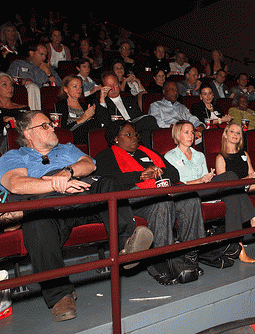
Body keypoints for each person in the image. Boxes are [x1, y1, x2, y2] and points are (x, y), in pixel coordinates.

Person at [0, 111, 153, 322]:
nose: (52, 128)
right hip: (50, 209)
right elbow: (16, 183)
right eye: (45, 126)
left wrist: (68, 172)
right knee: (34, 221)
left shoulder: (66, 148)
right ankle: (60, 295)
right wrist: (56, 183)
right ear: (28, 134)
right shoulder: (15, 156)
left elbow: (90, 165)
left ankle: (126, 248)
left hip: (83, 200)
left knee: (108, 183)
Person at [94, 120, 206, 285]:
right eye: (128, 135)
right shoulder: (105, 155)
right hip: (130, 198)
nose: (134, 138)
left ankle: (189, 257)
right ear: (116, 139)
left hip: (159, 192)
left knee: (190, 198)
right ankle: (162, 262)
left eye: (135, 134)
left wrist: (160, 171)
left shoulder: (147, 152)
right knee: (161, 202)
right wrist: (140, 175)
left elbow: (174, 174)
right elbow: (108, 181)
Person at [165, 120, 255, 263]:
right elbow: (174, 185)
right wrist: (199, 181)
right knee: (231, 177)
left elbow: (206, 179)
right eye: (186, 132)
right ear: (178, 135)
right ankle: (254, 218)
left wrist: (208, 178)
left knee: (232, 193)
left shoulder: (199, 155)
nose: (191, 135)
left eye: (192, 132)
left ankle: (239, 248)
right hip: (188, 193)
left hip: (205, 190)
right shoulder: (169, 157)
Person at [95, 72, 159, 148]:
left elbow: (139, 116)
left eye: (115, 85)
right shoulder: (101, 103)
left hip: (134, 127)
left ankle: (150, 153)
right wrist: (102, 99)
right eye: (109, 86)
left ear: (119, 84)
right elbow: (104, 124)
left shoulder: (129, 99)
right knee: (149, 122)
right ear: (103, 88)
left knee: (147, 131)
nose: (113, 88)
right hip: (119, 130)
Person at [7, 42, 62, 110]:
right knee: (32, 86)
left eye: (45, 55)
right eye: (41, 54)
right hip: (24, 95)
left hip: (44, 98)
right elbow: (8, 81)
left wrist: (48, 73)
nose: (44, 58)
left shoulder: (48, 68)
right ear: (31, 53)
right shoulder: (18, 64)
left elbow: (60, 86)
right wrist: (23, 81)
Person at [53, 75, 102, 145]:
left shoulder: (86, 105)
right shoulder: (60, 106)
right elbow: (61, 131)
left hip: (87, 137)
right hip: (71, 138)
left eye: (80, 87)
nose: (79, 89)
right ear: (65, 89)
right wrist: (82, 119)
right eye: (75, 86)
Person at [0, 72, 29, 153]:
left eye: (11, 85)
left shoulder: (23, 107)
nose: (10, 88)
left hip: (23, 139)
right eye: (4, 84)